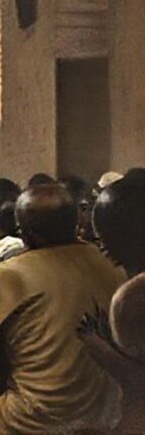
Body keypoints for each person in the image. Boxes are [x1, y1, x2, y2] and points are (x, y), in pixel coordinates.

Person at [0, 185, 124, 434]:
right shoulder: (113, 265)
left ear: (25, 234)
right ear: (76, 223)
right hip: (107, 412)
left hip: (39, 415)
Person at [80, 175, 145, 432]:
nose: (100, 246)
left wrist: (95, 344)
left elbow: (138, 382)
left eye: (102, 237)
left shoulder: (132, 298)